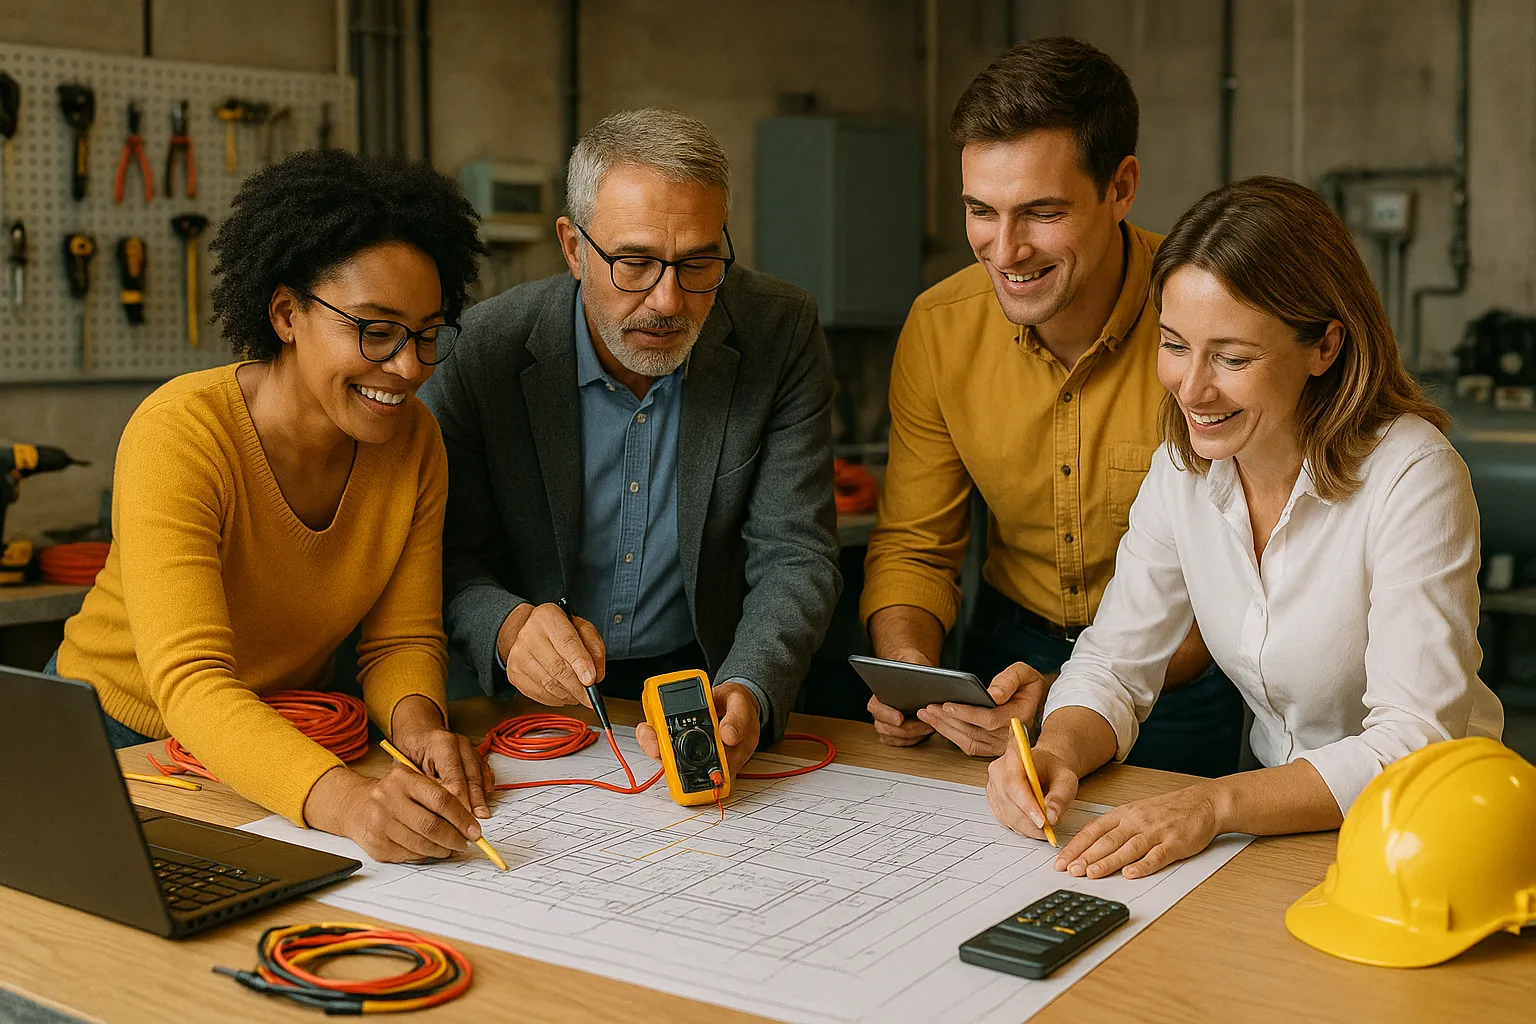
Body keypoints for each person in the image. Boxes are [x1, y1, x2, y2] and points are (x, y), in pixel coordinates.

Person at [986, 175, 1504, 879]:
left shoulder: (1413, 474)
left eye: (1232, 358)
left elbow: (1413, 742)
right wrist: (1056, 753)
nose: (1192, 388)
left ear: (1324, 346)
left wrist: (1214, 806)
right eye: (1174, 345)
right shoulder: (1184, 469)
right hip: (1284, 836)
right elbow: (1113, 663)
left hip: (1434, 840)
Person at [52, 150, 496, 864]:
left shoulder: (415, 444)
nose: (410, 367)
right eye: (375, 330)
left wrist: (420, 733)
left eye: (426, 334)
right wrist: (350, 805)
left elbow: (400, 640)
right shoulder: (182, 433)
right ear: (287, 313)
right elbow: (192, 683)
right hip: (118, 736)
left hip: (279, 740)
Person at [861, 38, 1243, 774]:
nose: (1006, 250)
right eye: (981, 210)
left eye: (1041, 212)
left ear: (1121, 186)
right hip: (1003, 662)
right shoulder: (939, 330)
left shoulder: (1211, 319)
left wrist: (1087, 689)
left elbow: (1254, 566)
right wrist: (913, 675)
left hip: (1185, 666)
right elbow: (915, 544)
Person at [420, 109, 840, 775]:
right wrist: (505, 627)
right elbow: (442, 558)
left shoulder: (779, 331)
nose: (668, 300)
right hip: (526, 704)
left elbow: (795, 552)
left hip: (706, 678)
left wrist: (752, 688)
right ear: (572, 246)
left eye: (699, 263)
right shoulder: (481, 355)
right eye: (635, 262)